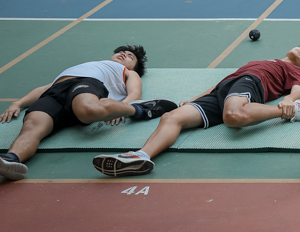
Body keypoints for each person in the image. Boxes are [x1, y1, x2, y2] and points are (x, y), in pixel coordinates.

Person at [92, 45, 300, 177]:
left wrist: (289, 101)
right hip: (224, 89)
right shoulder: (266, 60)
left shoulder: (297, 71)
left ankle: (293, 112)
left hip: (252, 83)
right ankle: (141, 156)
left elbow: (297, 88)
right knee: (172, 117)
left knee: (233, 116)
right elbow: (222, 82)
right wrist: (195, 99)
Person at [0, 46, 174, 181]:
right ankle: (11, 160)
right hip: (55, 92)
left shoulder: (127, 72)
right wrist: (18, 103)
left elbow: (135, 92)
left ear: (133, 66)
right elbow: (43, 89)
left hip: (86, 84)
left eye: (130, 56)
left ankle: (141, 110)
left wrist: (123, 107)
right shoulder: (87, 65)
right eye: (122, 52)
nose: (124, 54)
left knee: (89, 110)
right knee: (31, 127)